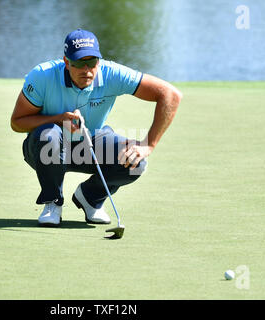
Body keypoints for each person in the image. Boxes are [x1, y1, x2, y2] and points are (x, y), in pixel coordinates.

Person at [11, 28, 182, 227]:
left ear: (99, 62)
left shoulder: (112, 74)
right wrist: (58, 119)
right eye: (79, 63)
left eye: (92, 63)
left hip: (91, 144)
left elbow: (170, 95)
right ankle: (52, 202)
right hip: (45, 150)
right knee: (49, 135)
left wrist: (148, 145)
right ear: (66, 62)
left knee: (136, 163)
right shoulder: (42, 76)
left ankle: (90, 197)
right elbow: (17, 122)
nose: (87, 70)